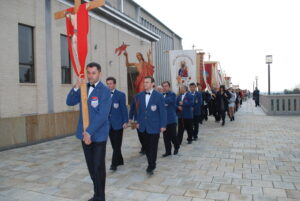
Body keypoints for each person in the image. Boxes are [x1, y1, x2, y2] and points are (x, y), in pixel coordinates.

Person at [66, 62, 111, 201]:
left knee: (98, 166)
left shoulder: (105, 90)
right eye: (89, 73)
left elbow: (102, 115)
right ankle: (96, 194)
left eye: (94, 73)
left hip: (98, 135)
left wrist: (89, 132)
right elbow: (70, 101)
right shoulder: (83, 87)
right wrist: (76, 86)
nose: (91, 76)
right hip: (84, 134)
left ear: (99, 74)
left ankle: (100, 196)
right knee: (91, 167)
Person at [134, 76, 167, 175]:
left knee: (153, 146)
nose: (145, 84)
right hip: (143, 126)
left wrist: (163, 125)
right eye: (144, 82)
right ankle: (150, 161)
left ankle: (151, 164)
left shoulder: (159, 96)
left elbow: (163, 112)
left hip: (154, 126)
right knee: (147, 147)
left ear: (153, 83)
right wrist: (137, 122)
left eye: (147, 82)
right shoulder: (139, 95)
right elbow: (138, 111)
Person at [106, 77, 129, 171]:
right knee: (114, 145)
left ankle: (114, 164)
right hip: (108, 124)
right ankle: (120, 160)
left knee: (117, 144)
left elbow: (124, 109)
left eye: (110, 83)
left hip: (119, 123)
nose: (109, 85)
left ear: (114, 84)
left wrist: (125, 121)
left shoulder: (121, 95)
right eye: (107, 84)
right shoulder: (104, 95)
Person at [161, 81, 180, 157]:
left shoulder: (172, 94)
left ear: (169, 87)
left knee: (173, 135)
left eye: (166, 86)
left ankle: (176, 146)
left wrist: (162, 101)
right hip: (163, 120)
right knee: (165, 137)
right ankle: (168, 151)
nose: (164, 87)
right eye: (163, 86)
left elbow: (170, 101)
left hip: (171, 119)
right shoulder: (161, 95)